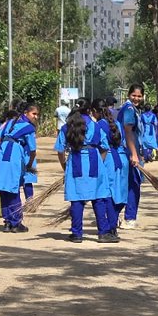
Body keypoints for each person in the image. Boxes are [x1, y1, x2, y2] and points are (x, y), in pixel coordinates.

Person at [63, 103, 114, 243]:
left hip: (75, 162)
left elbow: (60, 149)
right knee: (99, 197)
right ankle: (103, 233)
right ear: (90, 110)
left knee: (77, 199)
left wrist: (64, 166)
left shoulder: (67, 127)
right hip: (94, 161)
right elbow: (104, 147)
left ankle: (77, 234)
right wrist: (100, 163)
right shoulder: (96, 126)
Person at [0, 102, 38, 233]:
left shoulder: (9, 123)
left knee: (4, 188)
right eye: (34, 114)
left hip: (3, 154)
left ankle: (7, 221)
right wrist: (29, 164)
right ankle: (16, 222)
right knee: (13, 188)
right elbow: (33, 150)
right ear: (25, 113)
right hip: (14, 154)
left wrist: (4, 146)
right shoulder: (28, 127)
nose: (36, 117)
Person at [93, 98, 126, 240]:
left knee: (107, 194)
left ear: (95, 111)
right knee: (118, 193)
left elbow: (98, 145)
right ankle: (113, 226)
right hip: (122, 158)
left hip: (108, 159)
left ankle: (110, 227)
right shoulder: (116, 123)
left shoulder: (99, 125)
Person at [117, 84, 146, 229]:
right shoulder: (128, 110)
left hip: (133, 151)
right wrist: (134, 154)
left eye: (139, 96)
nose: (136, 98)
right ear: (128, 95)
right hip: (129, 152)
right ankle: (129, 217)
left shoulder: (134, 110)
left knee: (126, 184)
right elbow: (128, 132)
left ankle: (115, 216)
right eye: (134, 95)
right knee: (133, 185)